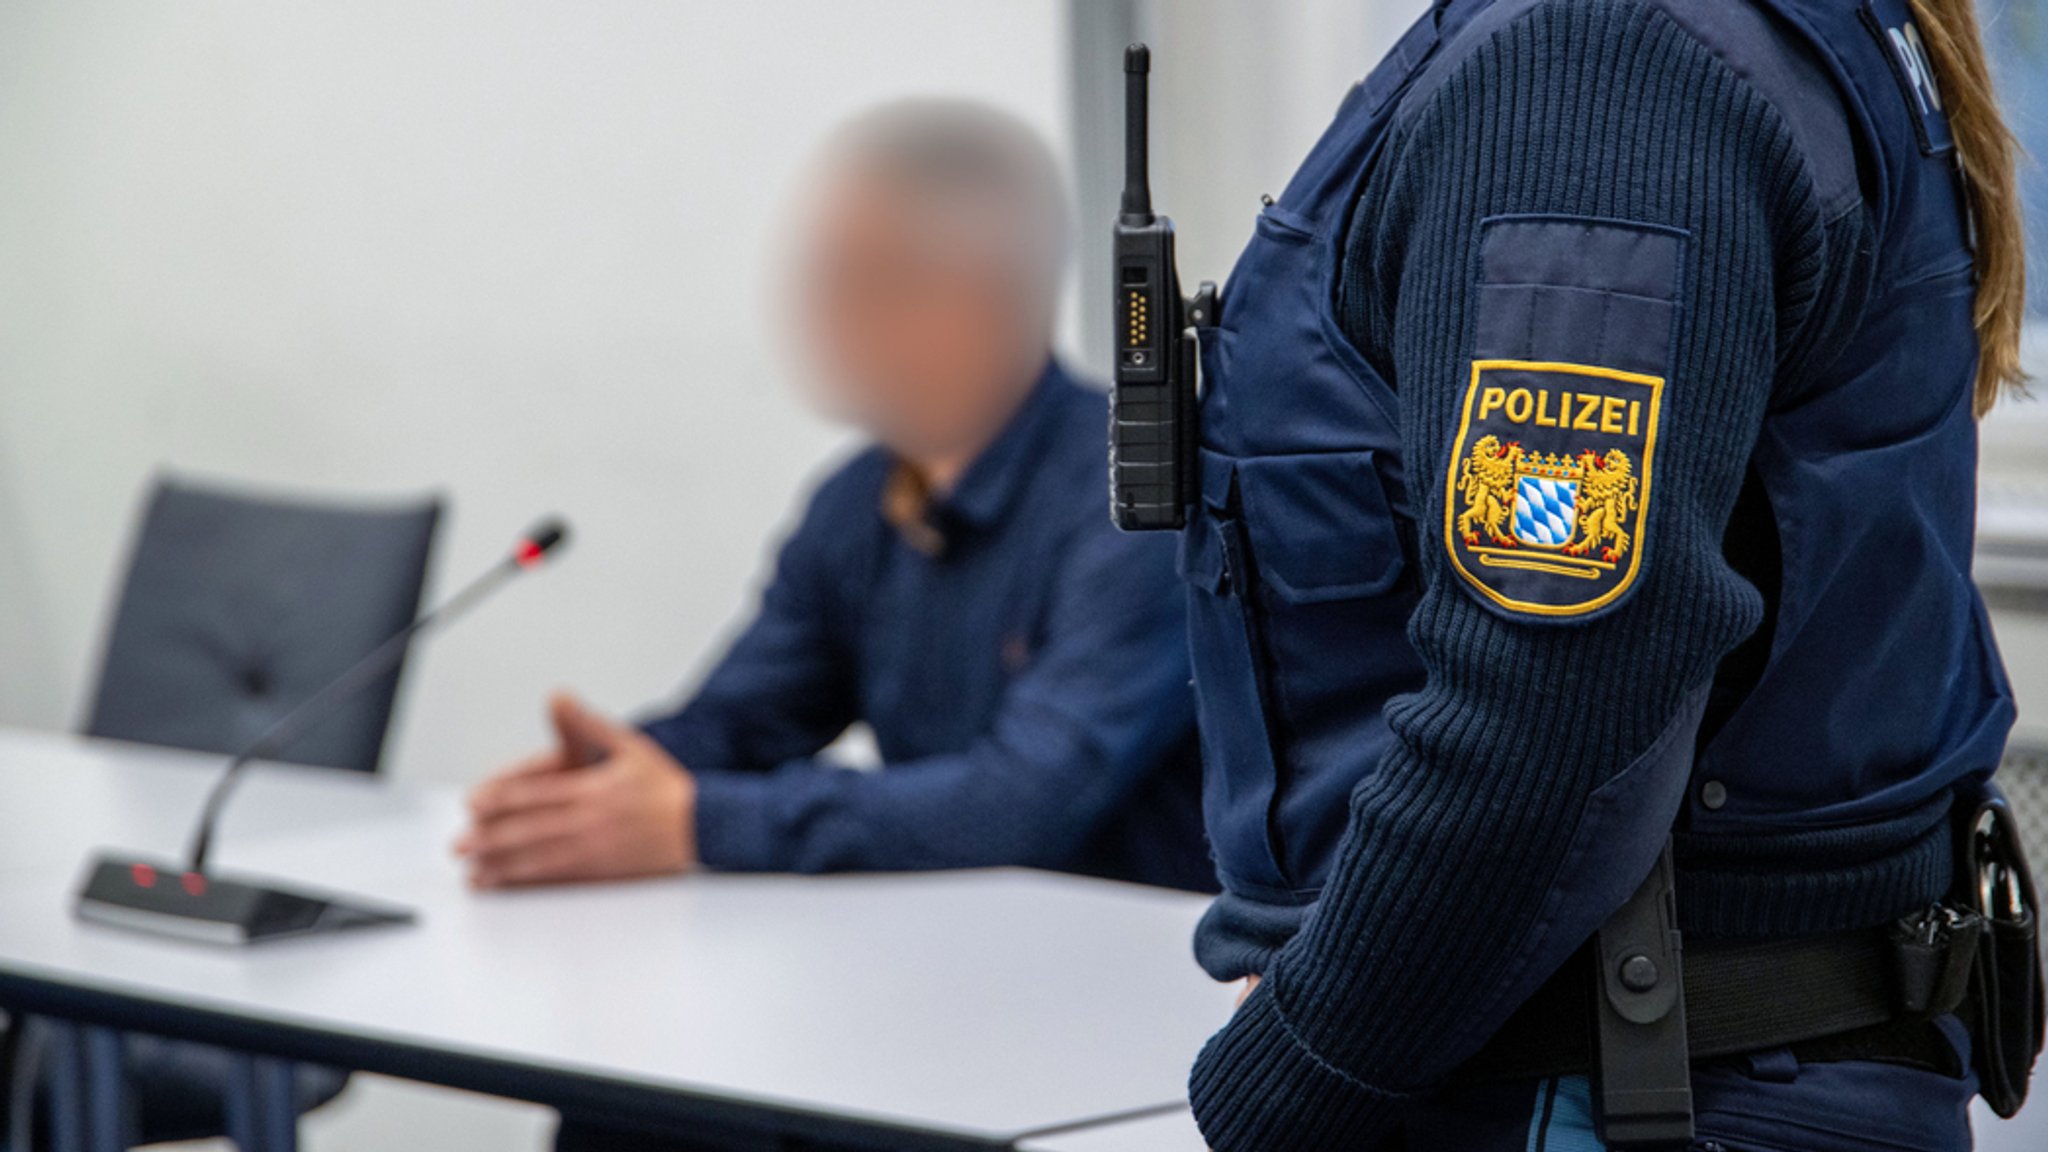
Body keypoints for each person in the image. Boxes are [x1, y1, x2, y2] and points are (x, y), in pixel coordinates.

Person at [1173, 1, 2037, 1149]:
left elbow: (1553, 702)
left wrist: (1287, 1077)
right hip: (1703, 1062)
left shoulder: (1599, 64)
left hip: (1608, 1084)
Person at [455, 100, 1211, 897]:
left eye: (859, 280)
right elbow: (746, 719)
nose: (817, 315)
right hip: (939, 945)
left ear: (980, 298)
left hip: (1140, 968)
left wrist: (695, 820)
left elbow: (1025, 799)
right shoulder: (859, 499)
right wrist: (600, 784)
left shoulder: (1143, 496)